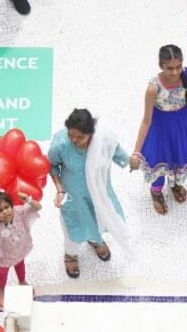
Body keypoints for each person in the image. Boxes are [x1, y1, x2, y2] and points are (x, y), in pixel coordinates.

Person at [47, 108, 135, 279]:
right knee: (72, 228)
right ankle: (70, 254)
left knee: (99, 221)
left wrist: (135, 161)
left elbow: (121, 156)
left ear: (91, 133)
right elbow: (52, 166)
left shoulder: (104, 141)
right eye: (71, 135)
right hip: (73, 197)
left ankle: (95, 240)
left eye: (80, 137)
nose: (74, 140)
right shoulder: (60, 144)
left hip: (99, 195)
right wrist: (59, 189)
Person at [131, 45, 187, 215]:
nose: (174, 72)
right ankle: (156, 191)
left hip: (183, 127)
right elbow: (146, 120)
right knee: (161, 162)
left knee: (180, 157)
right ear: (161, 66)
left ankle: (175, 183)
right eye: (169, 68)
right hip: (161, 131)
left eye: (178, 67)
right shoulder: (153, 88)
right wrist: (136, 152)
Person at [0, 191, 41, 310]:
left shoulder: (19, 212)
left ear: (11, 205)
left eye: (6, 207)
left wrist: (28, 200)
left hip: (20, 249)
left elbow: (38, 207)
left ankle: (22, 281)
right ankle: (2, 291)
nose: (5, 212)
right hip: (5, 256)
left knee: (20, 265)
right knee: (3, 273)